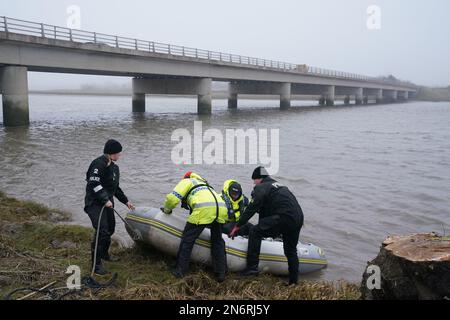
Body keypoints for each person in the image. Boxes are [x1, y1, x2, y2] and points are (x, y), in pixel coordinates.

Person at [229, 166, 304, 285]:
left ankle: (252, 269)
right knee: (290, 251)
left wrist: (238, 226)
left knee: (255, 231)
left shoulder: (261, 187)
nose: (254, 183)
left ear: (259, 178)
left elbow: (251, 209)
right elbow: (267, 213)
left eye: (254, 180)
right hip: (298, 217)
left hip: (283, 216)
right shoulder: (278, 186)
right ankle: (293, 282)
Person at [161, 172, 229, 282]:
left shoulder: (187, 181)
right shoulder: (205, 184)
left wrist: (167, 210)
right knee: (217, 241)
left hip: (204, 209)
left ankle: (180, 270)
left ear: (185, 177)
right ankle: (221, 273)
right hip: (221, 209)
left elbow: (173, 198)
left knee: (187, 239)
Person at [84, 139, 135, 275]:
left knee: (110, 229)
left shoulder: (114, 167)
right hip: (94, 203)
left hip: (108, 202)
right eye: (118, 153)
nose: (120, 155)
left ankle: (104, 254)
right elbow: (94, 183)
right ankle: (96, 264)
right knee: (102, 231)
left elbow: (115, 188)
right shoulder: (98, 164)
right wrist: (104, 199)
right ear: (111, 153)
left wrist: (126, 201)